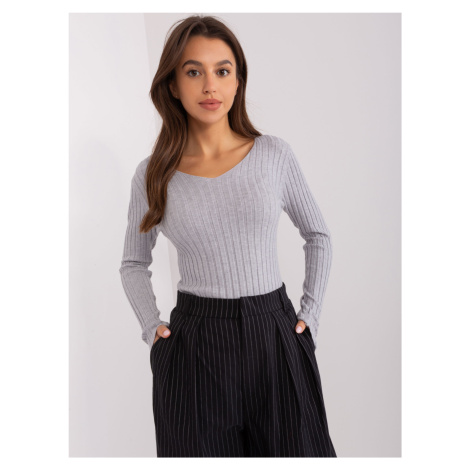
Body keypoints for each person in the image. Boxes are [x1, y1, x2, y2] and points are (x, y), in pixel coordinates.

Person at [119, 14, 336, 458]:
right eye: (193, 72)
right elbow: (133, 263)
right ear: (172, 85)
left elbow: (318, 234)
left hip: (275, 334)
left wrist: (310, 316)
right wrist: (152, 329)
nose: (209, 86)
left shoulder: (273, 155)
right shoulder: (154, 174)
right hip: (194, 345)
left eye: (222, 71)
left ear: (238, 81)